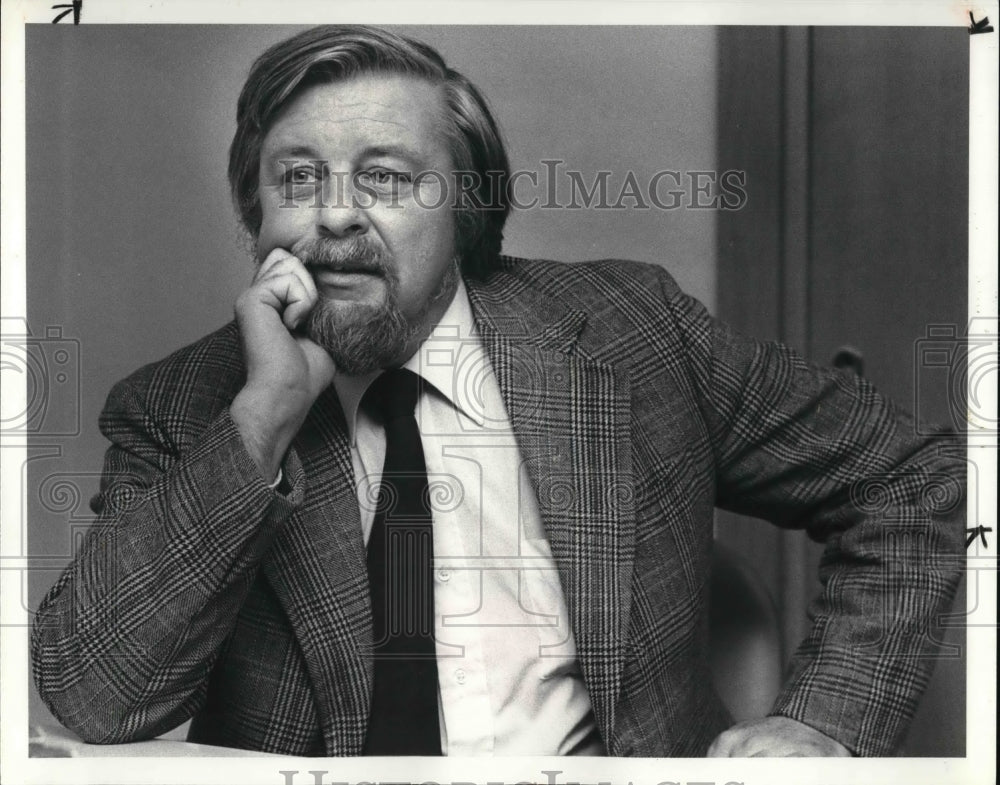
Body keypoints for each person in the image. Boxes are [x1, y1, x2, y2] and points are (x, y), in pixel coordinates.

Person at [31, 25, 965, 758]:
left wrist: (825, 716)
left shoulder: (634, 333)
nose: (336, 211)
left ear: (469, 207)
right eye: (297, 178)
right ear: (255, 211)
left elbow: (910, 478)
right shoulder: (183, 404)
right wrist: (261, 423)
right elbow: (98, 696)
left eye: (387, 178)